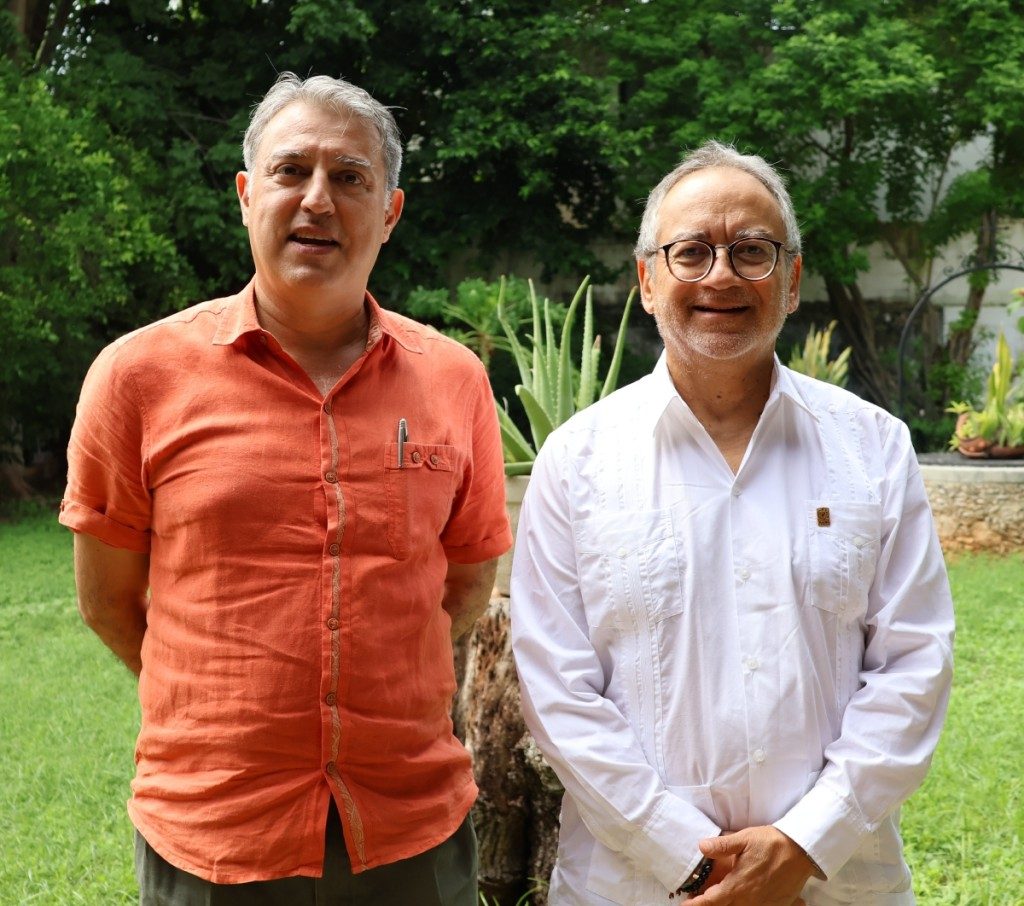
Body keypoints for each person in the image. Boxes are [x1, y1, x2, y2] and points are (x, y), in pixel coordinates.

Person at [59, 72, 512, 905]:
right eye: (289, 170)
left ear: (390, 211)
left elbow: (466, 580)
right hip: (217, 831)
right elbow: (109, 602)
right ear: (244, 195)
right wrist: (227, 708)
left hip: (410, 829)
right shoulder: (138, 376)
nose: (317, 200)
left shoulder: (453, 381)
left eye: (350, 177)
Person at [510, 141, 954, 906]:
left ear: (792, 279)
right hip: (632, 887)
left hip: (838, 883)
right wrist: (684, 854)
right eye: (692, 252)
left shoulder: (871, 447)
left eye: (752, 250)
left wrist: (804, 842)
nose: (721, 274)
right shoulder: (577, 460)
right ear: (648, 280)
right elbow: (557, 690)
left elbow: (915, 663)